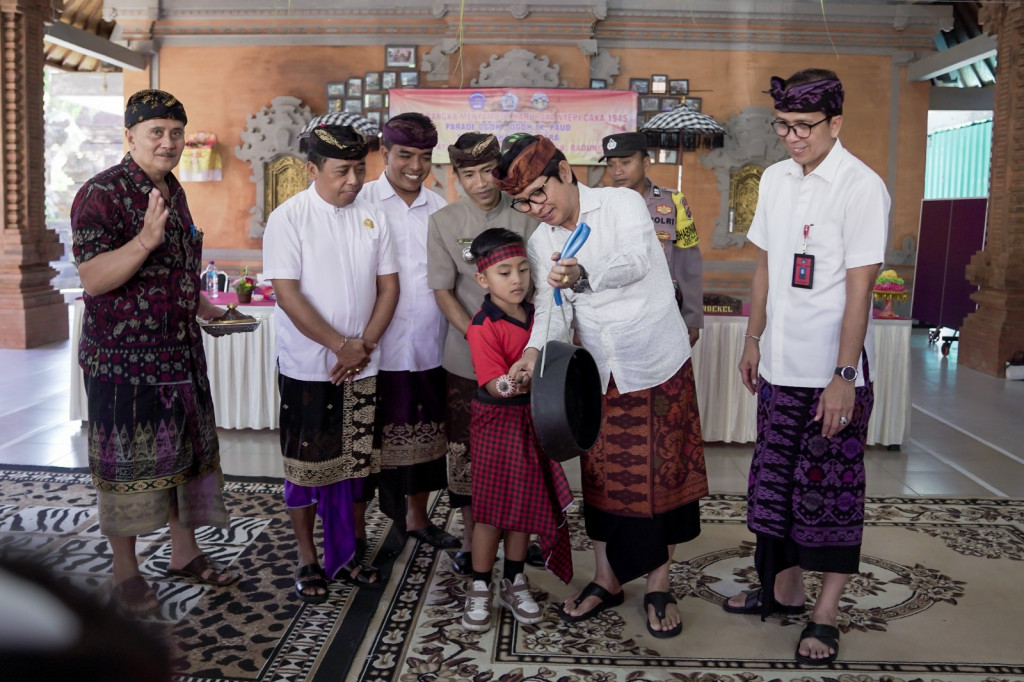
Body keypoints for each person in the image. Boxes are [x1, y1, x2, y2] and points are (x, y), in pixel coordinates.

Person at [497, 135, 708, 639]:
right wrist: (532, 352)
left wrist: (585, 274)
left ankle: (659, 583)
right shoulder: (541, 239)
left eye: (539, 194)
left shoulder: (621, 204)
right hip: (598, 374)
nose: (535, 209)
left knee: (664, 477)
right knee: (604, 479)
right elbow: (550, 309)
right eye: (523, 203)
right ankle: (607, 580)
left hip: (656, 361)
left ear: (566, 172)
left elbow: (636, 260)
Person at [723, 69, 888, 666]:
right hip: (779, 369)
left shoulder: (861, 186)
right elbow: (765, 266)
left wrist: (843, 376)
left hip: (829, 375)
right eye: (784, 126)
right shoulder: (774, 179)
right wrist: (752, 339)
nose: (792, 138)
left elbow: (860, 289)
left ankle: (825, 614)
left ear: (835, 124)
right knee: (775, 490)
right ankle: (784, 590)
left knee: (830, 495)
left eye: (804, 127)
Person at [70, 89, 237, 617]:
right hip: (124, 363)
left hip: (179, 353)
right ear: (130, 136)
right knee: (126, 467)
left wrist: (212, 312)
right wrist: (143, 240)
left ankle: (184, 553)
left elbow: (179, 274)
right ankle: (126, 572)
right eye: (156, 132)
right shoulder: (100, 194)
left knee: (185, 460)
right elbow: (95, 279)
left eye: (176, 132)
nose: (168, 142)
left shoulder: (172, 189)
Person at [262, 125, 399, 602]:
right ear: (312, 170)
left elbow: (389, 288)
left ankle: (353, 549)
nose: (354, 180)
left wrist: (363, 345)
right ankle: (307, 556)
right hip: (309, 369)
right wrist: (340, 345)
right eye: (342, 171)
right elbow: (288, 293)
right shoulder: (289, 218)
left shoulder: (374, 216)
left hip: (364, 364)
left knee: (359, 465)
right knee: (307, 467)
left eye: (360, 169)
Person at [426, 132, 540, 573]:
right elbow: (442, 290)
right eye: (468, 174)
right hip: (466, 360)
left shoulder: (529, 213)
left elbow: (545, 287)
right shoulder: (444, 222)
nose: (480, 183)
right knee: (468, 455)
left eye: (488, 171)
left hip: (527, 357)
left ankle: (521, 533)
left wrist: (526, 347)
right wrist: (480, 337)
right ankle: (474, 541)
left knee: (524, 454)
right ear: (455, 176)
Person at [459, 228, 574, 633]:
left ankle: (515, 579)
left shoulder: (539, 314)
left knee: (525, 507)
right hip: (498, 423)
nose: (517, 280)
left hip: (533, 421)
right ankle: (478, 585)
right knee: (491, 513)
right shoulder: (483, 326)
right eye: (504, 272)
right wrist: (524, 378)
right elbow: (495, 385)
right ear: (482, 278)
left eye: (524, 270)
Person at [359, 113, 458, 549]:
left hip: (429, 347)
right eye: (405, 155)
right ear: (385, 154)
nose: (415, 166)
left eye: (424, 157)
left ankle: (417, 518)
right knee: (368, 443)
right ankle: (357, 534)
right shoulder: (359, 202)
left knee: (425, 439)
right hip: (373, 348)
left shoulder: (440, 209)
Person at [600, 131, 704, 347]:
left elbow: (688, 263)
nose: (617, 171)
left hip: (663, 311)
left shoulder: (674, 201)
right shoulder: (599, 205)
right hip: (612, 313)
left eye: (626, 162)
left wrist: (692, 317)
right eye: (611, 164)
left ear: (646, 162)